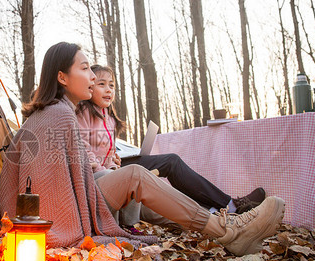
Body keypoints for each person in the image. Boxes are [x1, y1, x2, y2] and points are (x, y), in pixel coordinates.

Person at [0, 42, 285, 256]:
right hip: (61, 214)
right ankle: (229, 232)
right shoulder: (58, 115)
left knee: (146, 192)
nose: (93, 77)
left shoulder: (56, 111)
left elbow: (64, 175)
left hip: (83, 193)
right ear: (62, 77)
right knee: (136, 176)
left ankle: (230, 221)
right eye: (85, 69)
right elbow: (46, 187)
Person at [76, 64, 266, 217]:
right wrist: (109, 169)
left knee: (171, 161)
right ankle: (226, 206)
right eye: (102, 84)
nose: (108, 90)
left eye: (112, 85)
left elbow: (107, 151)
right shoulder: (83, 112)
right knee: (171, 162)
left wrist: (114, 159)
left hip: (114, 168)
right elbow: (84, 149)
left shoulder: (109, 117)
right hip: (103, 174)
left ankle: (220, 208)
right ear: (90, 86)